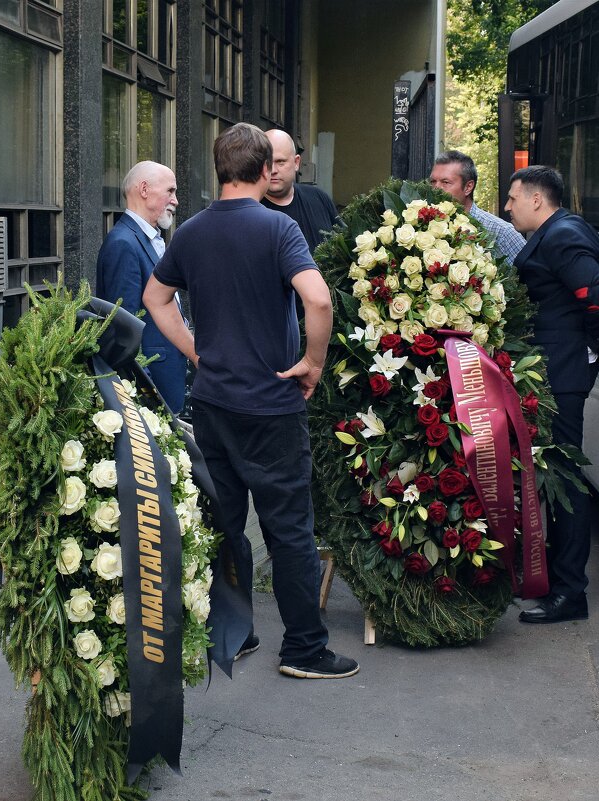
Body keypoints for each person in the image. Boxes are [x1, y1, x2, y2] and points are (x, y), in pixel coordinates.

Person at [143, 122, 358, 679]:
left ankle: (231, 636)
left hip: (213, 403)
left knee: (222, 524)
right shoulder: (279, 228)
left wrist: (197, 353)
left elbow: (154, 298)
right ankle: (305, 650)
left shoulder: (189, 232)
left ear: (218, 171)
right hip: (272, 405)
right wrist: (312, 362)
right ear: (266, 172)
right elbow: (318, 298)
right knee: (289, 530)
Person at [503, 165, 599, 624]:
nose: (507, 206)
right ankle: (554, 578)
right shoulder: (562, 229)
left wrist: (588, 349)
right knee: (554, 475)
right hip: (559, 368)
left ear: (536, 199)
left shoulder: (561, 235)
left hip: (563, 374)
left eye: (513, 198)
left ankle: (571, 593)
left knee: (566, 480)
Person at [96, 161, 187, 412]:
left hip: (167, 377)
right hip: (150, 387)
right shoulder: (123, 243)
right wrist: (143, 393)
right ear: (144, 189)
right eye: (170, 191)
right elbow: (123, 330)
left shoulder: (149, 238)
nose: (176, 200)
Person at [429, 150, 525, 262]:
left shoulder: (501, 232)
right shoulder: (422, 227)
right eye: (433, 181)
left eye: (445, 182)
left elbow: (530, 275)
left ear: (468, 187)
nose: (436, 189)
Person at [261, 129, 340, 254]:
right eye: (267, 163)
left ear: (296, 162)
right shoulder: (252, 212)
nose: (273, 170)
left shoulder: (319, 198)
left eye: (280, 162)